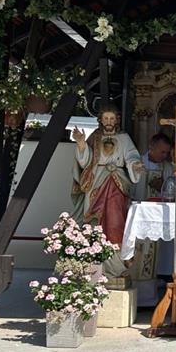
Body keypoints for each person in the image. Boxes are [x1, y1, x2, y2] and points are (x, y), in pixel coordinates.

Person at [130, 132, 176, 305]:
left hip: (158, 219)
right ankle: (135, 298)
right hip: (140, 217)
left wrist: (162, 186)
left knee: (153, 259)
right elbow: (129, 187)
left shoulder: (168, 167)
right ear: (151, 147)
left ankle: (149, 299)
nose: (165, 156)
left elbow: (172, 190)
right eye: (162, 152)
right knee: (138, 258)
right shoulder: (136, 164)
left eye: (167, 152)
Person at [71, 104, 142, 249]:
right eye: (106, 118)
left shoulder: (124, 138)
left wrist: (135, 165)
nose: (109, 121)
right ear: (101, 120)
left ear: (116, 120)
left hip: (118, 181)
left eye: (112, 118)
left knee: (116, 216)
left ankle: (115, 250)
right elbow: (85, 161)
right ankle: (93, 249)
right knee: (93, 215)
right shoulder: (95, 137)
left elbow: (131, 155)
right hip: (96, 180)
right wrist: (81, 144)